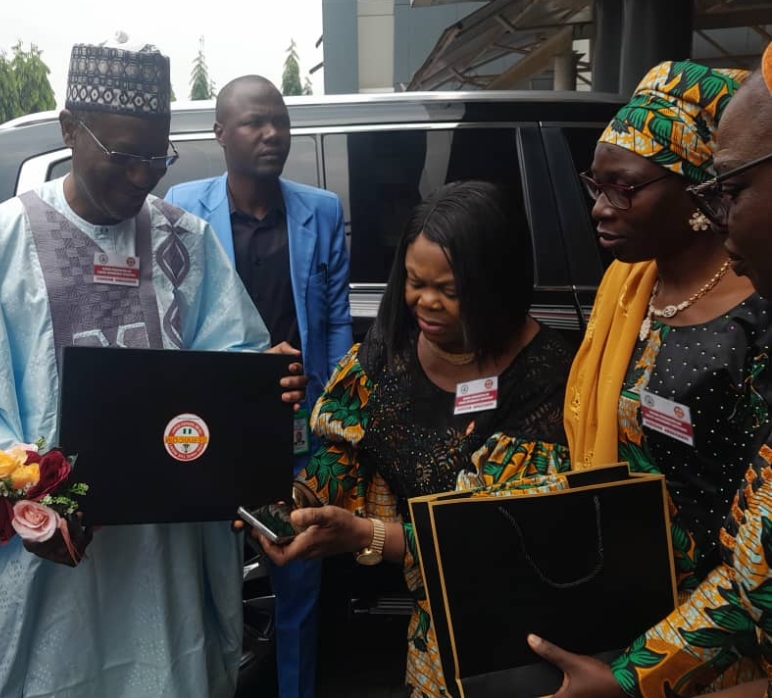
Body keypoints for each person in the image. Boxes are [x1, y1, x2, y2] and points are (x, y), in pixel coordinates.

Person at [0, 38, 307, 698]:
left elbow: (229, 362)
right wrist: (24, 491)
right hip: (38, 567)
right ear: (68, 130)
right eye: (124, 155)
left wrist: (264, 383)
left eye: (157, 156)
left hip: (160, 559)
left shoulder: (185, 241)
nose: (144, 177)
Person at [258, 180, 577, 698]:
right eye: (413, 281)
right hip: (432, 631)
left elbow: (499, 534)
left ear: (496, 282)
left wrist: (367, 536)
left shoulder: (545, 378)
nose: (425, 303)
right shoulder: (390, 351)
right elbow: (347, 454)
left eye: (450, 291)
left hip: (520, 641)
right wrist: (301, 503)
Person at [530, 42, 772, 698]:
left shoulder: (756, 315)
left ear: (700, 188)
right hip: (621, 609)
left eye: (625, 187)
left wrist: (632, 679)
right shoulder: (626, 288)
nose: (600, 207)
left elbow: (756, 561)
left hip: (723, 647)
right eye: (595, 185)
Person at [165, 74, 353, 698]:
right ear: (220, 132)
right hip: (214, 426)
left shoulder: (320, 212)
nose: (272, 133)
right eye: (254, 122)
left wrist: (331, 416)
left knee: (299, 579)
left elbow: (332, 322)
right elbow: (172, 325)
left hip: (297, 423)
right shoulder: (182, 209)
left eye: (280, 120)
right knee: (206, 581)